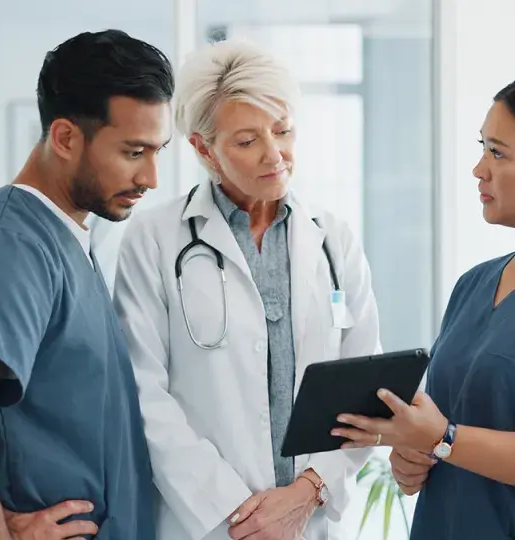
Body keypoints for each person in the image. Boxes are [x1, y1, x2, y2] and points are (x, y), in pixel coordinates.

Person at [0, 29, 174, 540]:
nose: (152, 177)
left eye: (158, 151)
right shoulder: (10, 243)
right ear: (66, 137)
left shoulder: (67, 239)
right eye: (134, 152)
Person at [112, 38, 382, 540]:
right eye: (246, 140)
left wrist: (308, 490)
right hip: (210, 523)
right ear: (202, 148)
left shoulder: (333, 239)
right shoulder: (154, 238)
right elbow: (143, 394)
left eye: (283, 131)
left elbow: (366, 384)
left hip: (310, 515)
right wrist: (241, 514)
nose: (273, 154)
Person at [333, 80, 515, 539]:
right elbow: (445, 424)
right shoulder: (473, 285)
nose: (479, 169)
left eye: (498, 152)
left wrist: (444, 440)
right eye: (482, 148)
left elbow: (448, 434)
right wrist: (413, 455)